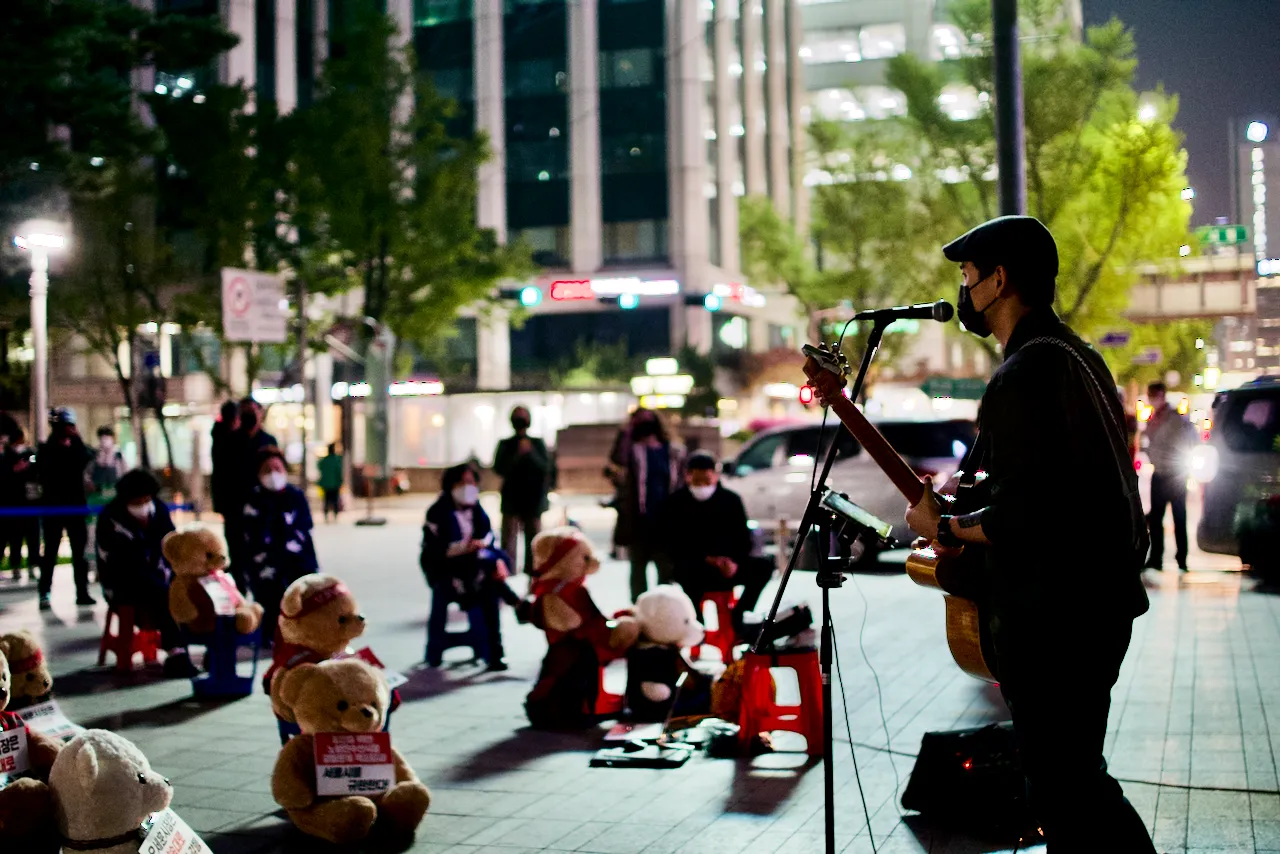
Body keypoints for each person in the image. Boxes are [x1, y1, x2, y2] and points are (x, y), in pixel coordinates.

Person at [814, 216, 1155, 852]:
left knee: (1068, 787)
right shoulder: (1079, 357)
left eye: (970, 275)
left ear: (999, 280)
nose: (965, 290)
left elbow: (1024, 513)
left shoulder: (1024, 373)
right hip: (1096, 607)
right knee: (1069, 782)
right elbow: (1050, 487)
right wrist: (964, 503)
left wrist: (943, 524)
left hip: (1057, 619)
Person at [655, 451, 772, 641]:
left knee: (764, 566)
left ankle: (741, 615)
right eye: (698, 479)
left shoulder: (730, 500)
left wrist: (733, 562)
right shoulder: (675, 503)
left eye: (706, 479)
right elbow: (672, 543)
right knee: (682, 571)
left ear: (715, 477)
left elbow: (743, 539)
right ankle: (696, 626)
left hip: (729, 568)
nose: (702, 485)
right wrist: (708, 559)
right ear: (688, 476)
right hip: (696, 569)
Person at [95, 469, 198, 678]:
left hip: (157, 578)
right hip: (121, 583)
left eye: (147, 499)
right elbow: (121, 565)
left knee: (187, 589)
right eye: (137, 501)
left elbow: (172, 546)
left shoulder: (158, 510)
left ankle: (198, 645)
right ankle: (176, 652)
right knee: (163, 594)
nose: (143, 505)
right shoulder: (111, 519)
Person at [420, 463, 521, 672]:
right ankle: (514, 605)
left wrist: (495, 559)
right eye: (462, 482)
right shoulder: (437, 512)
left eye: (471, 482)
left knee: (490, 584)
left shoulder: (477, 511)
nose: (468, 487)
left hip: (477, 575)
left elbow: (490, 542)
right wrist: (465, 548)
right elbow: (433, 552)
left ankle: (495, 652)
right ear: (450, 485)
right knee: (489, 577)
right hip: (448, 573)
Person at [242, 446, 318, 639]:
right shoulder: (254, 500)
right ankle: (273, 636)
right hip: (267, 565)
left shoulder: (295, 496)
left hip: (298, 561)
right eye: (267, 470)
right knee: (271, 600)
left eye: (277, 468)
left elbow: (305, 528)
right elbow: (252, 536)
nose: (273, 474)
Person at [613, 410, 686, 601]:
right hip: (639, 519)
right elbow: (617, 459)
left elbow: (679, 483)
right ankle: (639, 610)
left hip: (666, 520)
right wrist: (628, 430)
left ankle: (663, 610)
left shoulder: (672, 451)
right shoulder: (632, 450)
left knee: (665, 569)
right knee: (638, 568)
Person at [37, 407, 96, 609]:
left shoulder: (78, 448)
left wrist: (77, 440)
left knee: (79, 553)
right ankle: (44, 592)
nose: (67, 430)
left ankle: (82, 591)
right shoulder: (46, 449)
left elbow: (89, 459)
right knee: (50, 553)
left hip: (76, 508)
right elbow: (43, 471)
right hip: (53, 508)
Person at [1143, 382, 1197, 572]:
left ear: (1162, 395)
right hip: (1159, 473)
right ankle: (1156, 557)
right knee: (1157, 518)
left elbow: (1189, 439)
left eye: (1153, 395)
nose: (1152, 400)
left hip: (1174, 475)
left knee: (1179, 517)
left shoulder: (1174, 418)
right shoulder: (1154, 418)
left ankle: (1181, 558)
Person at [492, 406, 549, 574]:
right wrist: (517, 455)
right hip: (511, 498)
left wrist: (530, 453)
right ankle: (508, 569)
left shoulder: (537, 444)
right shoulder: (506, 444)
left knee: (534, 539)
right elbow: (500, 468)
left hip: (533, 499)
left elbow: (545, 467)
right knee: (508, 537)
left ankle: (533, 569)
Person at [1, 429, 41, 582]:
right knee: (15, 537)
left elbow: (36, 466)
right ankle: (16, 566)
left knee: (32, 537)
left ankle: (32, 564)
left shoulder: (30, 454)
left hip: (30, 501)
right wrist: (14, 470)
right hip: (13, 503)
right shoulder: (6, 457)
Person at [87, 426, 126, 507]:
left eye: (107, 438)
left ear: (112, 439)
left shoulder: (118, 456)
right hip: (97, 495)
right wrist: (89, 484)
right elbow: (87, 474)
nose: (104, 441)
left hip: (115, 495)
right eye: (102, 438)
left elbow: (125, 474)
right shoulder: (94, 456)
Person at [317, 443, 345, 523]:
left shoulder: (324, 460)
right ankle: (335, 516)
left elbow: (320, 468)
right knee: (335, 500)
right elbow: (339, 471)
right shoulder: (337, 459)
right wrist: (340, 481)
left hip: (326, 484)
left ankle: (326, 516)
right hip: (334, 484)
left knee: (326, 500)